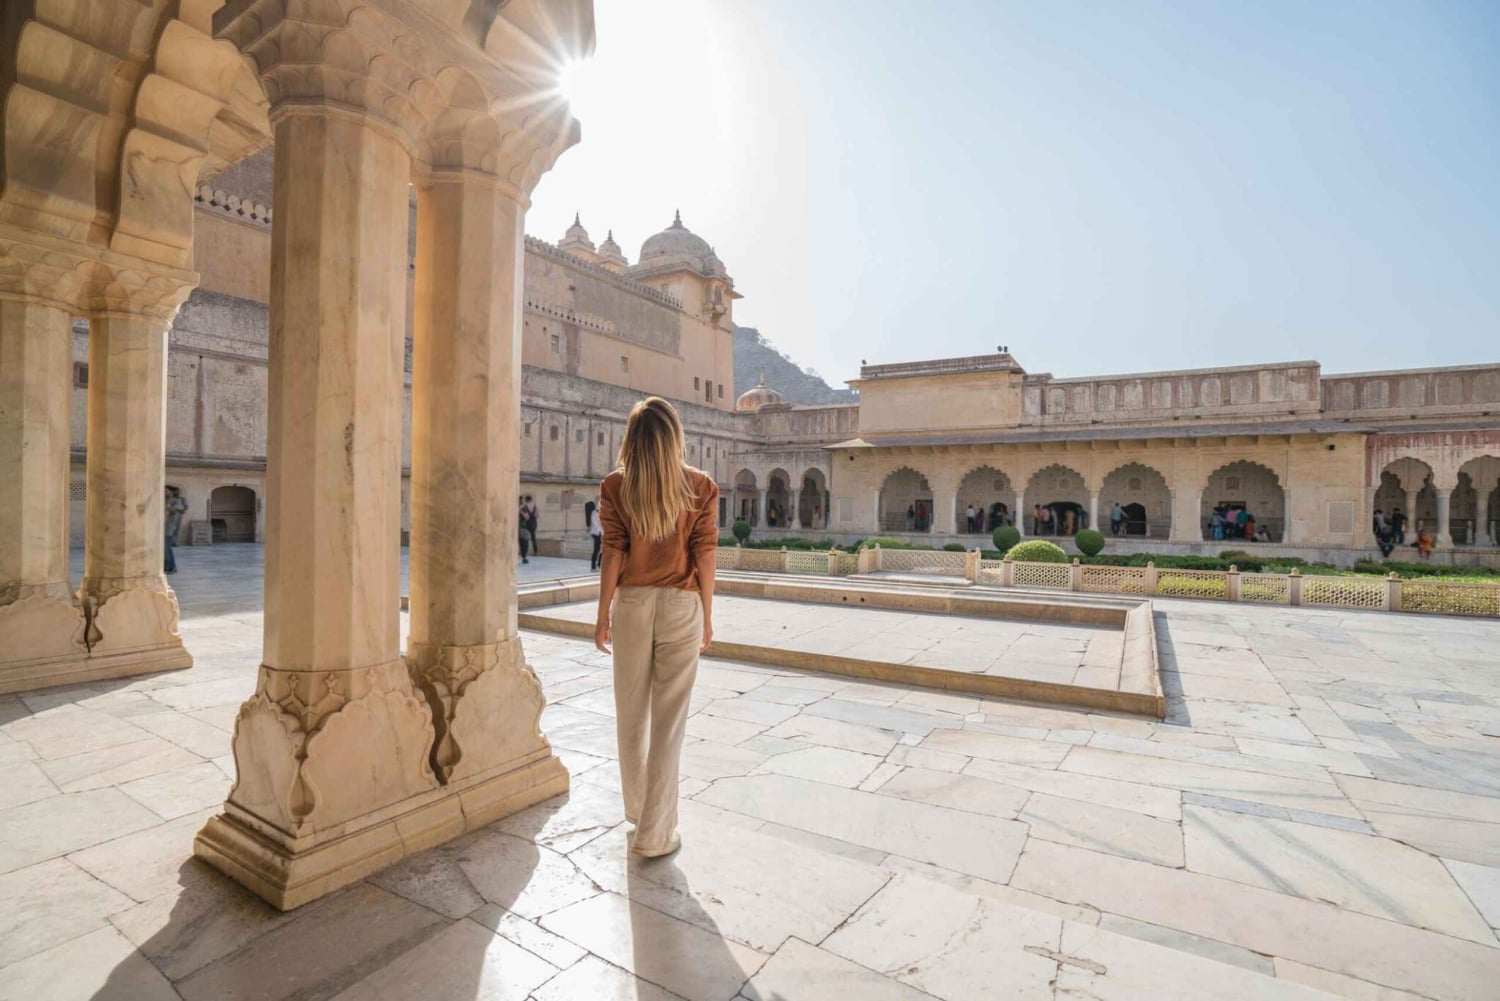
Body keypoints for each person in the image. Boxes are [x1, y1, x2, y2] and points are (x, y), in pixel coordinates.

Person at [594, 396, 717, 858]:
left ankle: (638, 811)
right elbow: (705, 553)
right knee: (667, 724)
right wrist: (707, 612)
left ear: (632, 438)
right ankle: (655, 832)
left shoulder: (615, 486)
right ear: (674, 437)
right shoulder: (700, 486)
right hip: (682, 604)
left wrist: (602, 613)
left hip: (633, 605)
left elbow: (613, 551)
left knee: (631, 714)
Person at [163, 487, 186, 575]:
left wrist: (167, 505)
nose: (164, 492)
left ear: (171, 492)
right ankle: (166, 567)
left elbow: (177, 510)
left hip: (168, 530)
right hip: (162, 530)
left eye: (166, 491)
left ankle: (172, 567)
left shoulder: (176, 501)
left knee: (167, 549)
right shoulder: (165, 501)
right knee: (164, 550)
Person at [585, 498, 603, 571]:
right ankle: (596, 566)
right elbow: (598, 523)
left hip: (594, 533)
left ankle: (596, 565)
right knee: (600, 550)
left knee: (598, 550)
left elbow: (590, 526)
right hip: (598, 533)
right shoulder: (595, 513)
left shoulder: (588, 514)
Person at [518, 500, 530, 564]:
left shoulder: (524, 509)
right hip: (517, 528)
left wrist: (520, 510)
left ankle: (524, 557)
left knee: (524, 544)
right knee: (522, 543)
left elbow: (527, 517)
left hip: (523, 529)